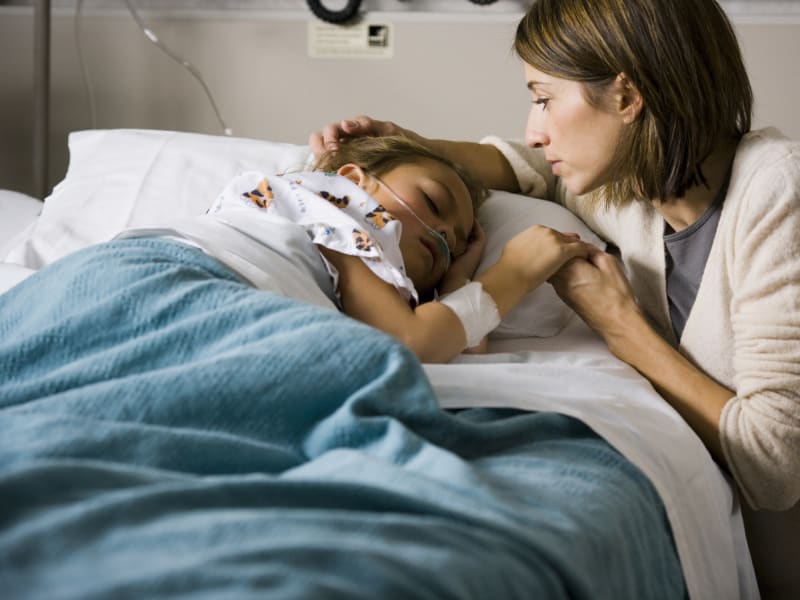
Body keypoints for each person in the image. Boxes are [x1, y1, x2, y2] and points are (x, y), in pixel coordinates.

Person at [308, 0, 800, 596]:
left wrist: (622, 327)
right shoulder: (627, 193)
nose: (533, 129)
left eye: (544, 98)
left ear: (626, 96)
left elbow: (774, 464)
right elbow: (525, 169)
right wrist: (409, 145)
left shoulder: (777, 191)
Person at [117, 135, 591, 364]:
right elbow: (412, 342)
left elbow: (462, 340)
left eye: (455, 242)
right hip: (164, 278)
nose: (443, 235)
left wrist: (455, 278)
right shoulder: (332, 207)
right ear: (352, 181)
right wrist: (513, 273)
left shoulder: (363, 280)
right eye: (432, 201)